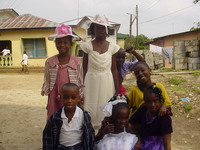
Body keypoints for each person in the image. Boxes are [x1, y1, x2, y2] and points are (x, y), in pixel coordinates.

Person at [80, 14, 120, 127]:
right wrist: (81, 86)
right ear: (93, 29)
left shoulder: (112, 47)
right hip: (90, 81)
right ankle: (90, 132)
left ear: (106, 30)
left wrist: (117, 89)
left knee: (105, 106)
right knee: (89, 105)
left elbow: (114, 69)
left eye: (103, 27)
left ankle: (103, 132)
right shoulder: (87, 46)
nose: (100, 30)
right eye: (97, 27)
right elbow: (84, 67)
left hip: (107, 81)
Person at [41, 24, 83, 120]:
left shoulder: (77, 62)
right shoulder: (50, 62)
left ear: (71, 43)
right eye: (59, 42)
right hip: (54, 99)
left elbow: (80, 83)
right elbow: (48, 84)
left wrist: (80, 102)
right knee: (54, 120)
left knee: (70, 120)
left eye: (65, 42)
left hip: (71, 99)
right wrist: (49, 102)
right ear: (55, 43)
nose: (62, 45)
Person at [43, 83, 95, 150]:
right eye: (66, 97)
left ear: (79, 98)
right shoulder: (55, 117)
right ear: (61, 98)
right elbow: (48, 137)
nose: (69, 101)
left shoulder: (84, 116)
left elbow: (90, 136)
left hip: (78, 147)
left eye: (73, 98)